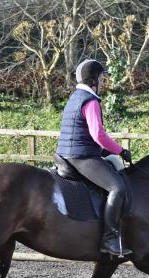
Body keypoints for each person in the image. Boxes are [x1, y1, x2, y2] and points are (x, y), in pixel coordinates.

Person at [56, 59, 132, 256]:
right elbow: (98, 134)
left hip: (66, 152)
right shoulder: (90, 101)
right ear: (93, 80)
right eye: (101, 78)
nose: (102, 82)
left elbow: (83, 132)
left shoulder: (75, 97)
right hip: (80, 156)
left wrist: (105, 151)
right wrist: (119, 150)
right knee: (118, 188)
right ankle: (110, 239)